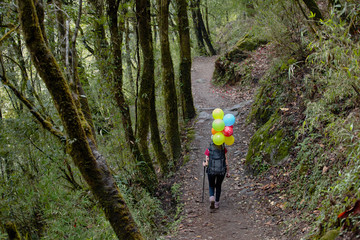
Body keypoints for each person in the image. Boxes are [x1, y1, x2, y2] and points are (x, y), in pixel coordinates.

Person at [203, 142, 230, 209]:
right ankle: (217, 203)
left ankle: (212, 198)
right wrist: (228, 172)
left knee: (211, 185)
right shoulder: (224, 149)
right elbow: (226, 161)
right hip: (221, 171)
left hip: (211, 171)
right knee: (218, 186)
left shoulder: (209, 149)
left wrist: (204, 164)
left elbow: (206, 163)